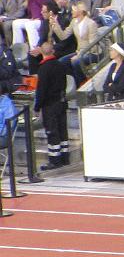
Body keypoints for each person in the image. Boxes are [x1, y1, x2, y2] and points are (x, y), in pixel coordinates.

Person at [34, 41, 68, 170]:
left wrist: (37, 107)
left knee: (52, 131)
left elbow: (41, 90)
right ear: (53, 51)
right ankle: (65, 158)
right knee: (62, 130)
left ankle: (55, 160)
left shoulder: (44, 68)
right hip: (61, 101)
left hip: (50, 105)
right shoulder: (60, 65)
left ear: (42, 52)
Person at [50, 2, 98, 86]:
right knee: (62, 62)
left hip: (91, 53)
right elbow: (63, 36)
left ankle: (82, 83)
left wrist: (80, 55)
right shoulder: (74, 22)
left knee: (76, 62)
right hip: (79, 51)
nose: (71, 12)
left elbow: (93, 45)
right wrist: (55, 25)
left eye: (73, 10)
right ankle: (73, 83)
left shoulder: (91, 24)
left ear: (80, 11)